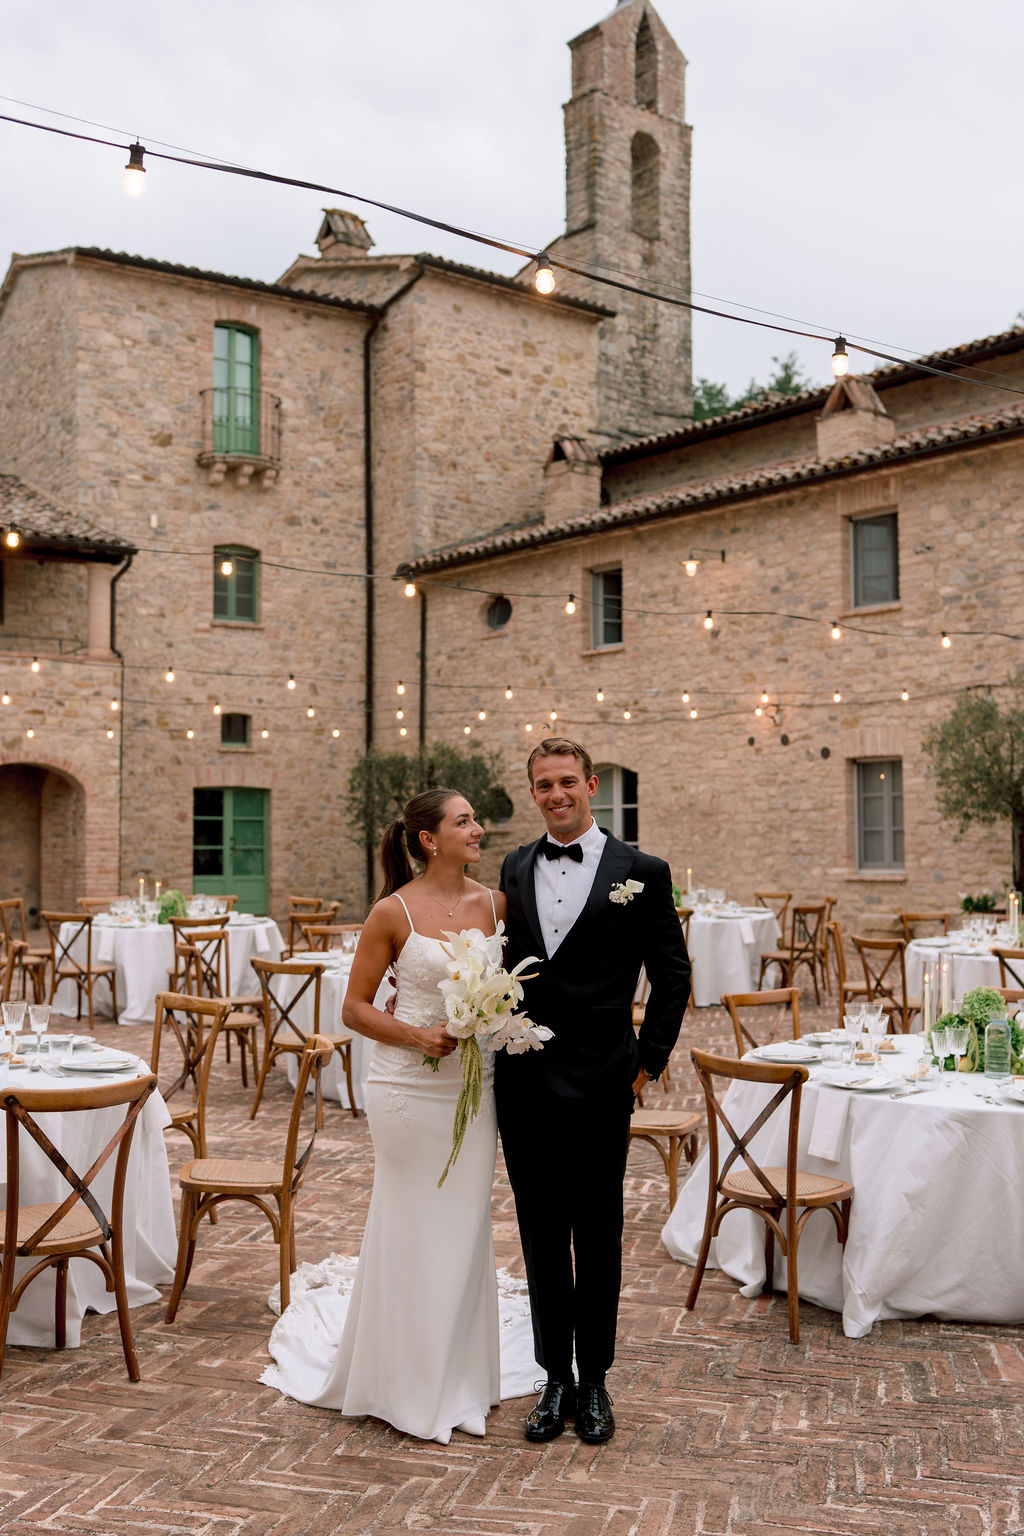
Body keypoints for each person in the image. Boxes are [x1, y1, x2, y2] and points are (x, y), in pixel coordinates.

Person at [261, 787, 539, 1443]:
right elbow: (354, 1009)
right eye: (464, 821)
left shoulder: (497, 903)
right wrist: (418, 1036)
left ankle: (458, 1377)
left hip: (476, 1087)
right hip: (405, 1090)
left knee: (465, 1225)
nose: (478, 829)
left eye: (475, 820)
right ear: (428, 839)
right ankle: (401, 1380)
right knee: (410, 1221)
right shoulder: (392, 911)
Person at [496, 737, 691, 1445]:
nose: (556, 795)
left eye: (566, 782)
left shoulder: (642, 872)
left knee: (599, 1236)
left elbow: (673, 976)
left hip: (602, 1081)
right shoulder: (514, 865)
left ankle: (597, 1380)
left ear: (591, 785)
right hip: (524, 1083)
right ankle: (555, 1377)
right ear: (533, 792)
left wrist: (648, 1063)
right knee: (541, 1236)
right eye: (543, 785)